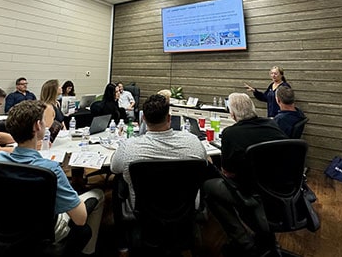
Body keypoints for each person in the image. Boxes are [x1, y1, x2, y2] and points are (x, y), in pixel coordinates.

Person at [0, 100, 104, 255]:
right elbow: (80, 219)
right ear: (37, 126)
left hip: (2, 231)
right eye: (44, 120)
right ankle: (88, 252)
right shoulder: (49, 169)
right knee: (98, 194)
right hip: (40, 235)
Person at [110, 94, 207, 253]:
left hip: (143, 211)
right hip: (185, 209)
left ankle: (122, 241)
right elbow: (205, 162)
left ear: (144, 120)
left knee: (118, 181)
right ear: (169, 118)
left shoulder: (129, 147)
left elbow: (114, 168)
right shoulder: (193, 142)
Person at [203, 92, 287, 257]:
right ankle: (260, 233)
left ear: (232, 114)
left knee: (208, 187)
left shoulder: (230, 133)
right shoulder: (273, 125)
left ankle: (243, 241)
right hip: (280, 188)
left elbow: (228, 173)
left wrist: (213, 165)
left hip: (249, 190)